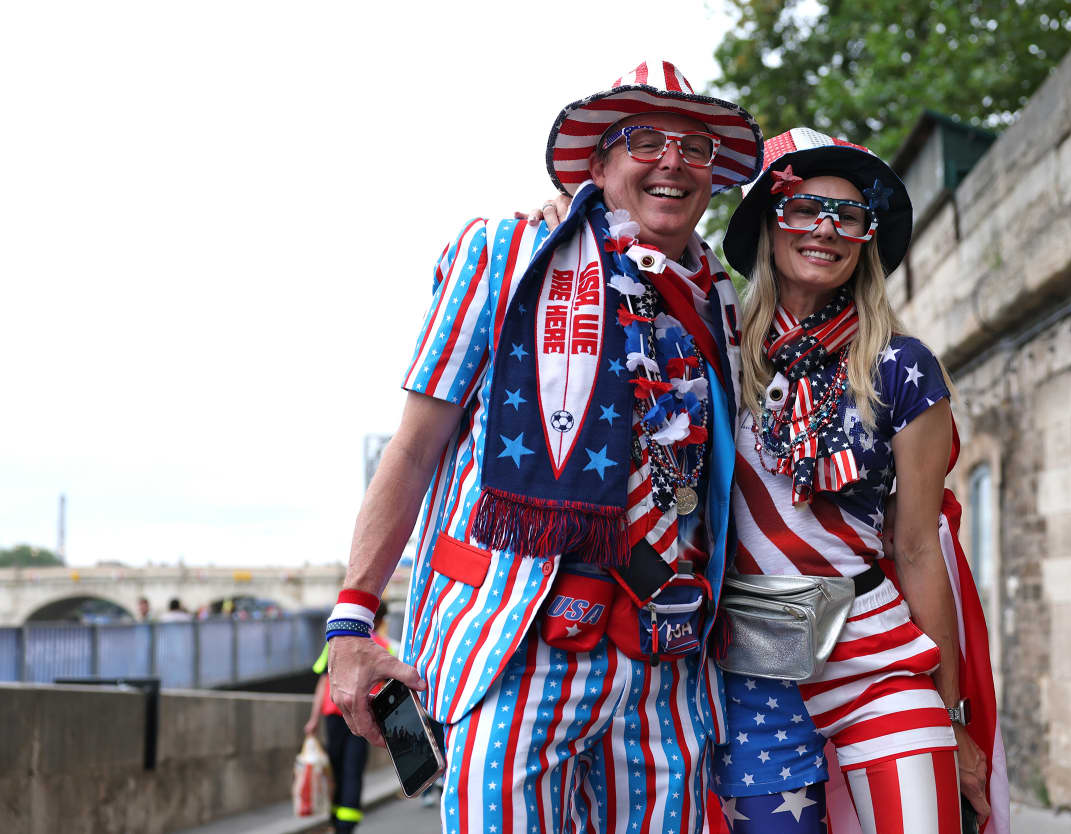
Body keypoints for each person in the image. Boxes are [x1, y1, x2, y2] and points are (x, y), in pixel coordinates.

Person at [325, 60, 762, 833]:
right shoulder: (503, 253)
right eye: (645, 140)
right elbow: (414, 448)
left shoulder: (718, 298)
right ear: (598, 163)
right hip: (517, 653)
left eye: (695, 148)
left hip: (664, 670)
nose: (672, 161)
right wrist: (352, 622)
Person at [709, 127, 1000, 834]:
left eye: (849, 215)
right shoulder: (712, 346)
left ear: (867, 238)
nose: (828, 229)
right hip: (754, 674)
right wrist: (563, 216)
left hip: (879, 657)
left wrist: (953, 714)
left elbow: (919, 546)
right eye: (804, 208)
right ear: (767, 228)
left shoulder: (902, 367)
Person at [305, 602, 392, 833]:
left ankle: (335, 819)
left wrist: (313, 719)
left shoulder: (336, 643)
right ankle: (347, 822)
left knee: (335, 766)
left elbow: (324, 681)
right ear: (381, 621)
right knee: (353, 768)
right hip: (362, 717)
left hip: (334, 714)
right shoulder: (383, 647)